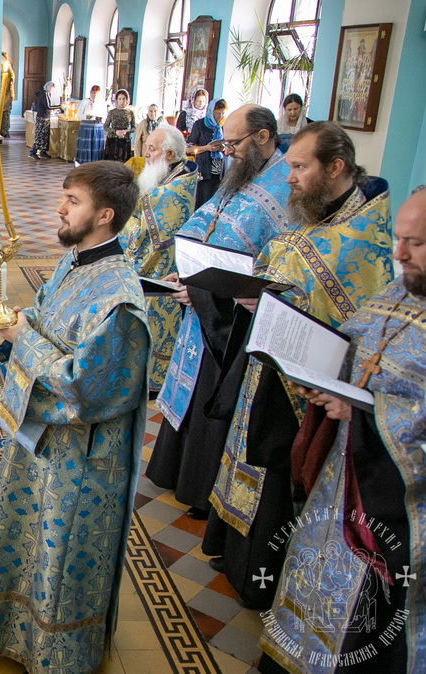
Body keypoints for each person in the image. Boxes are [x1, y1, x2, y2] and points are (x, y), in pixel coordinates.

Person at [0, 161, 149, 673]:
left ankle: (56, 654)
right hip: (42, 438)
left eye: (73, 201)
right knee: (25, 538)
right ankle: (8, 630)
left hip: (84, 461)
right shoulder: (76, 262)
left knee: (61, 560)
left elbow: (86, 390)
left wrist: (22, 336)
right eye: (63, 196)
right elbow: (48, 316)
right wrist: (22, 326)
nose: (59, 207)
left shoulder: (121, 303)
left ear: (105, 215)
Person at [204, 121, 394, 609]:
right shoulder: (316, 214)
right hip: (269, 358)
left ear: (336, 168)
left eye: (299, 166)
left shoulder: (363, 235)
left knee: (280, 461)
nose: (287, 177)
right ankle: (234, 552)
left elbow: (355, 313)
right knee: (252, 449)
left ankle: (263, 578)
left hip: (310, 384)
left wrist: (282, 295)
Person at [256, 187, 426, 674]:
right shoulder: (405, 286)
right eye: (398, 239)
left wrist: (370, 413)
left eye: (414, 243)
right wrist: (322, 371)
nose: (398, 255)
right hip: (344, 479)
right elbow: (355, 334)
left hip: (395, 503)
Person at [147, 105, 292, 520]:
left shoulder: (284, 187)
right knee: (193, 389)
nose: (226, 151)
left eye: (233, 142)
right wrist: (187, 273)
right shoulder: (243, 173)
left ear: (262, 137)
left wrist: (207, 291)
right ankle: (179, 473)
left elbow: (268, 264)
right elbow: (204, 221)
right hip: (202, 303)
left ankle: (203, 490)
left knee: (215, 395)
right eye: (225, 142)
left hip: (233, 320)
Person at [120, 124, 198, 392]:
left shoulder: (173, 191)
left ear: (169, 154)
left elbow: (143, 237)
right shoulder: (169, 177)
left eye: (152, 149)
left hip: (160, 275)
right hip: (160, 270)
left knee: (155, 331)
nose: (146, 155)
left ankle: (152, 383)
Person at [187, 97, 228, 208]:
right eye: (217, 113)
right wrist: (207, 148)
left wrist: (223, 148)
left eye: (223, 113)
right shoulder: (200, 125)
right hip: (204, 171)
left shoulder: (224, 126)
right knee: (203, 201)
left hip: (220, 172)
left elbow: (230, 145)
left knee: (217, 203)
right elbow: (189, 148)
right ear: (211, 112)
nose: (220, 116)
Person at [75, 85, 107, 165]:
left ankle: (96, 164)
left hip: (97, 127)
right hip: (86, 126)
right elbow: (78, 115)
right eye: (93, 93)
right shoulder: (85, 101)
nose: (95, 95)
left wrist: (101, 118)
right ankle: (83, 163)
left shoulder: (102, 102)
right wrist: (86, 116)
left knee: (96, 146)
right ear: (90, 93)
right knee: (86, 146)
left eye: (97, 94)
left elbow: (105, 115)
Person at [104, 89, 136, 162]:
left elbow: (134, 128)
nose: (121, 101)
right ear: (116, 100)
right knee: (111, 163)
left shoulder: (130, 113)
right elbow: (105, 126)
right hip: (112, 141)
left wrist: (126, 131)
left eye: (124, 99)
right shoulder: (111, 112)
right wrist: (115, 132)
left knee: (124, 163)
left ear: (127, 100)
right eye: (120, 99)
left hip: (125, 140)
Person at [30, 81, 59, 160]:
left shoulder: (47, 94)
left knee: (45, 135)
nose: (53, 90)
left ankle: (43, 151)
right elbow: (48, 106)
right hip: (42, 117)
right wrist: (59, 106)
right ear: (49, 87)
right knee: (40, 135)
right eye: (52, 88)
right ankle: (33, 151)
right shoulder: (44, 94)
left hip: (46, 117)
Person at [0, 51, 16, 139]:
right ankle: (3, 131)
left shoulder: (5, 65)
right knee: (3, 115)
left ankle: (4, 131)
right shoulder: (5, 64)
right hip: (4, 93)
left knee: (5, 115)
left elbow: (8, 81)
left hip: (6, 94)